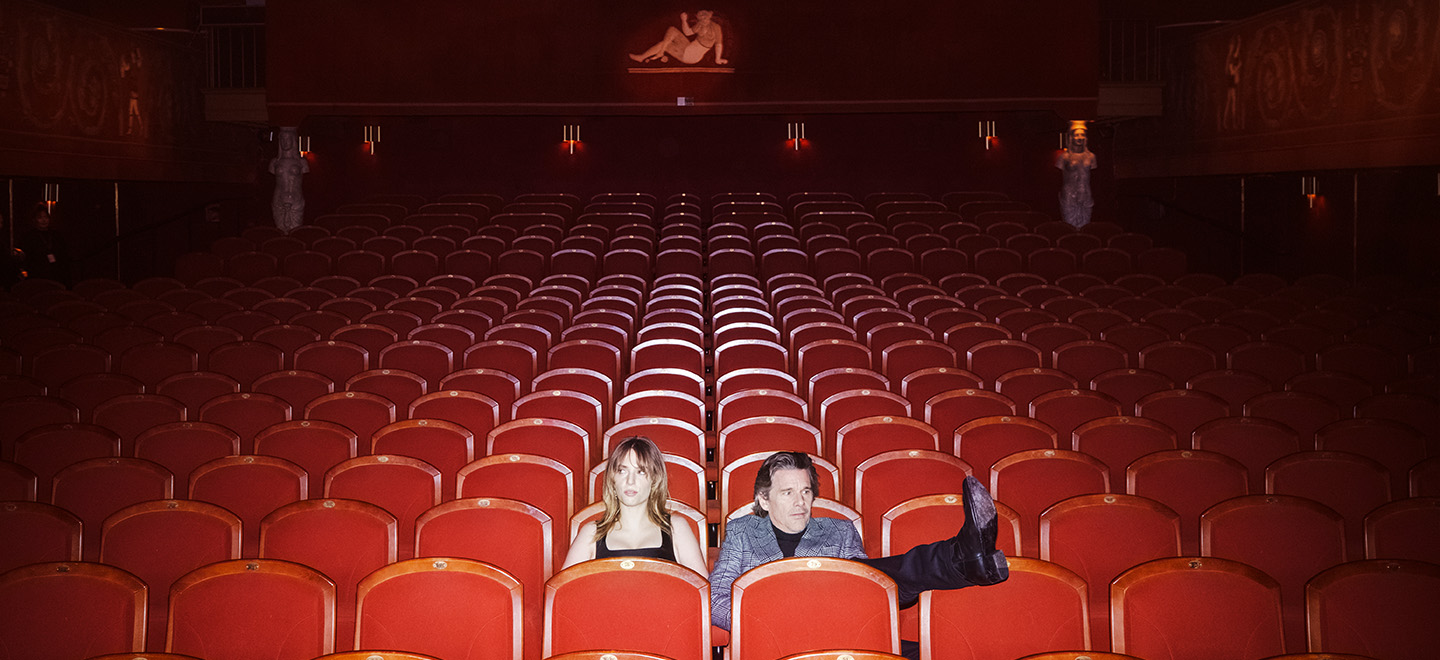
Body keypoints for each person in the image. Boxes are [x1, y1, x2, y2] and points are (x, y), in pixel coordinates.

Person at [709, 452, 1008, 643]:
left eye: (805, 491)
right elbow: (716, 598)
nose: (800, 502)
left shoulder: (840, 530)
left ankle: (963, 557)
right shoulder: (742, 531)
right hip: (774, 639)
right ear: (764, 499)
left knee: (877, 576)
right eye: (787, 492)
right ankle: (961, 560)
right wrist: (768, 618)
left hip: (838, 631)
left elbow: (876, 591)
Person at [562, 436, 709, 576]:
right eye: (622, 471)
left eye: (640, 472)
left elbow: (702, 593)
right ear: (612, 479)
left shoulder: (676, 528)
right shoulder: (591, 533)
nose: (630, 481)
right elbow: (562, 593)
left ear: (654, 480)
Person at [629, 11, 728, 66]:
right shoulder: (699, 25)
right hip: (689, 47)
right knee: (672, 30)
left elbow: (718, 44)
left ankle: (650, 55)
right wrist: (684, 20)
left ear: (709, 17)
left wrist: (718, 59)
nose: (703, 20)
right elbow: (687, 33)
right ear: (698, 18)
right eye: (700, 18)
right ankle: (659, 52)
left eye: (705, 17)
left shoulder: (715, 27)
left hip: (691, 57)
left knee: (663, 44)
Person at [1055, 120, 1097, 228]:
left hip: (1086, 194)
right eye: (1076, 135)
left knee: (1085, 226)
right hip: (1069, 195)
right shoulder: (1064, 157)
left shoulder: (1091, 156)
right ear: (1071, 137)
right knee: (1070, 226)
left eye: (1082, 135)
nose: (1079, 137)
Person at [17, 204, 70, 285]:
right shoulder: (29, 237)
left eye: (46, 217)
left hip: (55, 273)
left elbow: (63, 255)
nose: (44, 220)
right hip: (37, 274)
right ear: (35, 220)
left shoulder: (56, 235)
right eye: (40, 218)